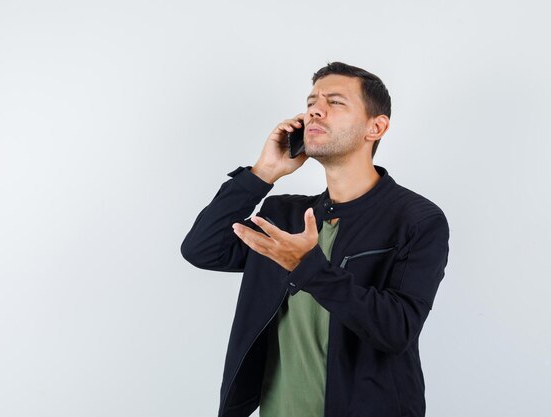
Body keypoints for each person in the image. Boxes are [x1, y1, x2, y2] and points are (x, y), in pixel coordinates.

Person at [181, 62, 450, 417]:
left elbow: (397, 329)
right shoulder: (284, 216)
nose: (314, 110)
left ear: (376, 126)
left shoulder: (416, 219)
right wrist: (264, 173)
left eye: (335, 102)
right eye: (311, 102)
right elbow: (203, 248)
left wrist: (307, 267)